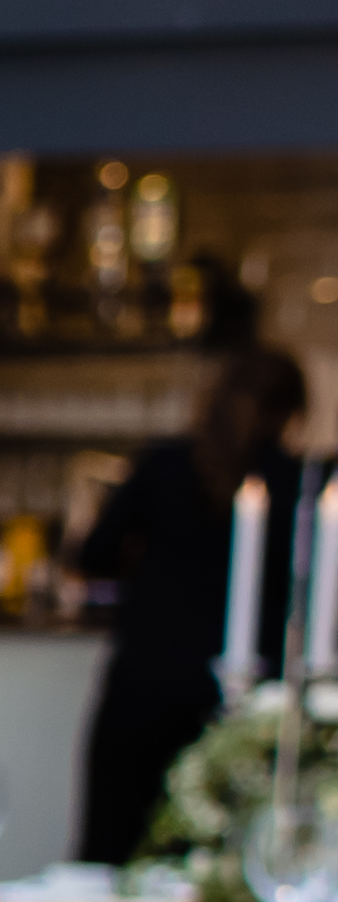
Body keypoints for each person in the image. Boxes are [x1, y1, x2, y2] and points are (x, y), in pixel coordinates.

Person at [73, 345, 309, 863]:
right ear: (290, 413)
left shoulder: (165, 464)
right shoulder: (299, 483)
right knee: (212, 857)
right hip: (242, 698)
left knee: (112, 847)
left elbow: (93, 554)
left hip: (146, 681)